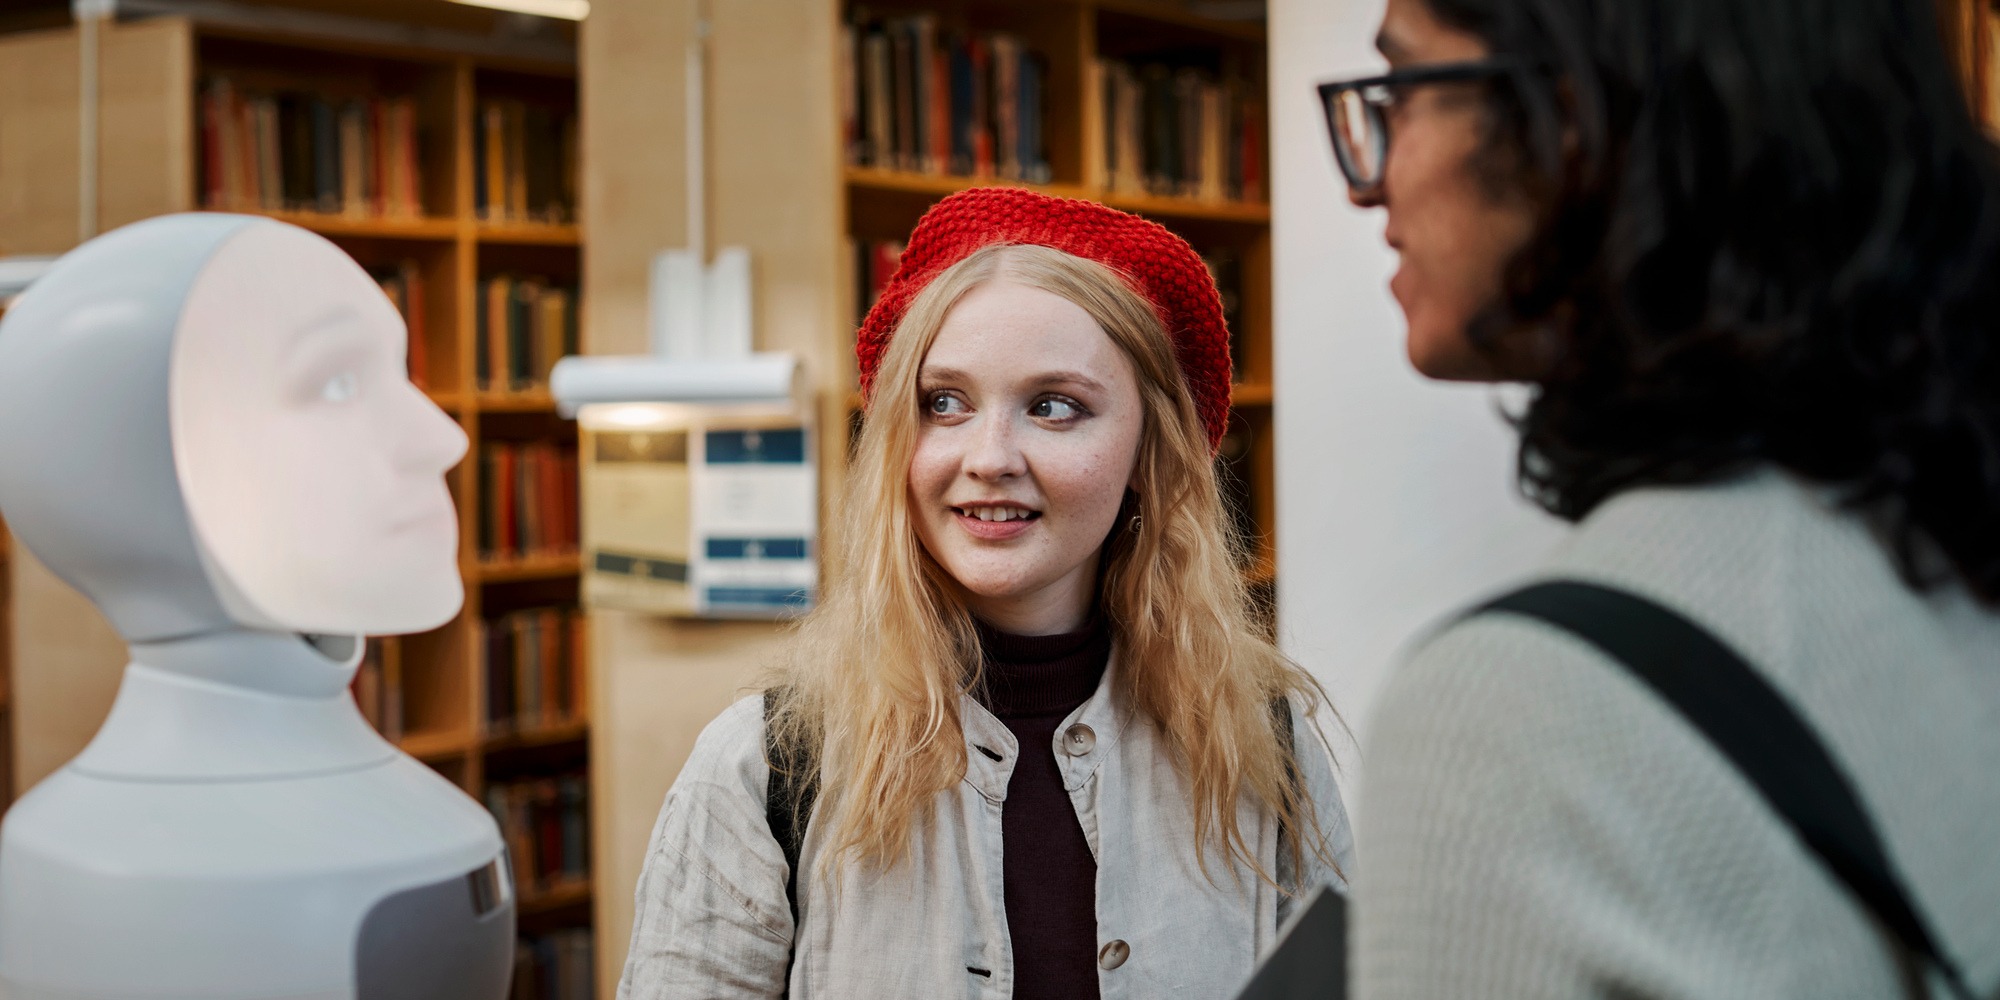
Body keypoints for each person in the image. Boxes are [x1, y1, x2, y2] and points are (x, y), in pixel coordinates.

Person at [1317, 0, 2000, 996]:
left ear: (1572, 124)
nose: (1368, 183)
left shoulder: (1514, 715)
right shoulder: (1948, 546)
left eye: (1402, 92)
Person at [617, 187, 1353, 1000]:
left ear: (1151, 449)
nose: (990, 455)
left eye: (1054, 406)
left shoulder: (1263, 744)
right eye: (944, 404)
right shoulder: (768, 767)